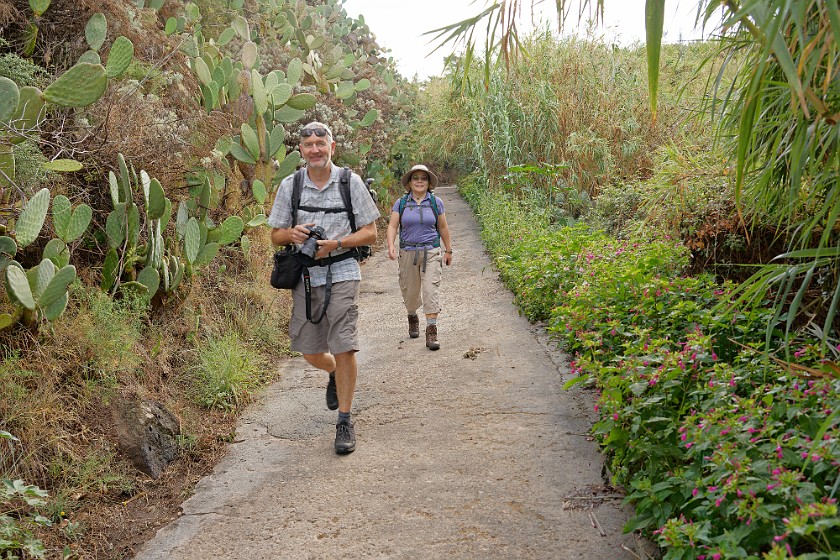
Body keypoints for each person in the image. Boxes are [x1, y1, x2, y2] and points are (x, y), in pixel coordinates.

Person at [267, 121, 379, 454]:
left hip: (343, 269)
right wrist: (293, 234)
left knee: (344, 345)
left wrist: (338, 243)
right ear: (300, 150)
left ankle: (344, 420)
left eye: (321, 142)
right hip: (305, 275)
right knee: (311, 351)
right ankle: (332, 372)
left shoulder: (350, 182)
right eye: (308, 144)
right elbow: (275, 234)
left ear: (332, 146)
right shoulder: (291, 185)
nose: (314, 149)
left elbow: (371, 232)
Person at [386, 164, 453, 350]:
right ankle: (412, 315)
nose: (419, 181)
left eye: (423, 178)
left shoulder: (435, 202)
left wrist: (448, 250)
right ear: (409, 182)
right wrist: (391, 245)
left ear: (429, 182)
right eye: (416, 178)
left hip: (431, 251)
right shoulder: (401, 203)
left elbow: (443, 227)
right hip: (408, 252)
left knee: (431, 290)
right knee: (410, 291)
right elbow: (392, 226)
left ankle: (431, 331)